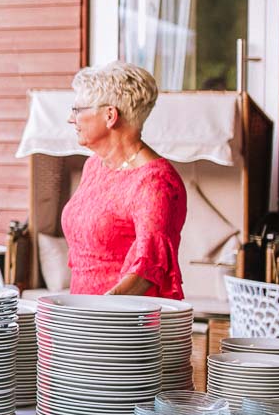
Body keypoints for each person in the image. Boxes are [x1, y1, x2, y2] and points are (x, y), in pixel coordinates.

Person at [60, 61, 187, 298]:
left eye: (78, 110)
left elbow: (147, 272)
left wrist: (100, 312)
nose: (71, 118)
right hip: (81, 319)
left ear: (110, 116)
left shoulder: (155, 183)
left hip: (124, 325)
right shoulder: (94, 166)